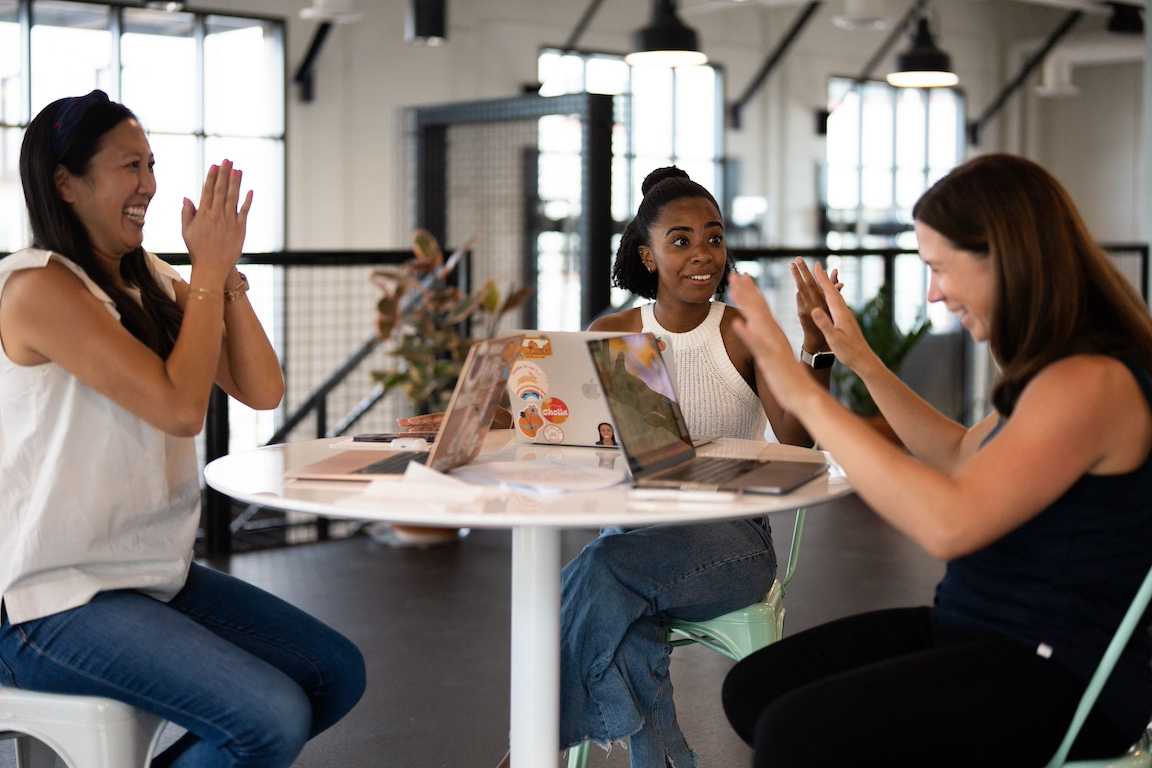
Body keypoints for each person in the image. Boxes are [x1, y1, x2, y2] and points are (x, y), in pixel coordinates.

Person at [721, 153, 1152, 767]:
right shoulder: (1058, 368)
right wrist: (860, 359)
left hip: (1059, 672)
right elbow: (956, 452)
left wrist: (801, 394)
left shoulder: (1090, 382)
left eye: (940, 268)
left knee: (796, 735)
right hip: (985, 631)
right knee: (755, 691)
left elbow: (949, 523)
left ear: (1005, 257)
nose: (934, 292)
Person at [0, 90, 365, 767]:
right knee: (272, 718)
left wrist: (219, 278)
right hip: (45, 603)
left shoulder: (147, 278)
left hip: (143, 575)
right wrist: (207, 274)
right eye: (129, 166)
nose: (149, 185)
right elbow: (178, 407)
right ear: (66, 183)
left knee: (335, 673)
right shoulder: (37, 289)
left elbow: (261, 388)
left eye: (152, 164)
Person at [543, 166, 841, 768]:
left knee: (599, 572)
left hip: (731, 546)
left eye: (713, 237)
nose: (703, 254)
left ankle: (533, 746)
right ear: (648, 257)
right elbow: (572, 438)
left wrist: (816, 348)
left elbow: (799, 439)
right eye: (680, 241)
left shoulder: (741, 332)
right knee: (619, 612)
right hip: (639, 536)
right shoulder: (614, 334)